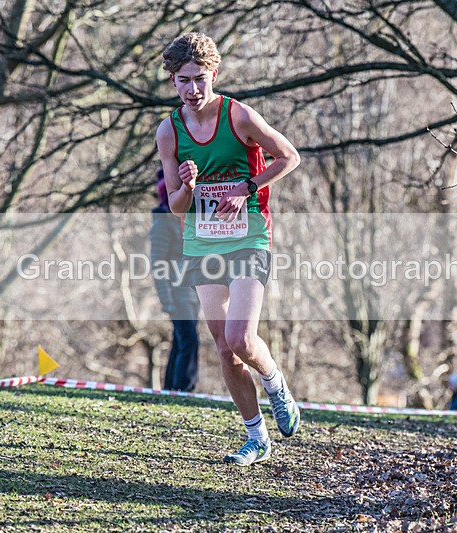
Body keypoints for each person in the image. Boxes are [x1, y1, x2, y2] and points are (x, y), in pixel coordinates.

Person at [155, 32, 301, 466]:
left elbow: (289, 156)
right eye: (184, 80)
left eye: (200, 79)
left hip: (248, 236)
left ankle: (275, 384)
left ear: (214, 75)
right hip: (202, 242)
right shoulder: (169, 131)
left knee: (241, 337)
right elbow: (176, 206)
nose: (193, 89)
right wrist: (188, 186)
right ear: (173, 80)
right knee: (223, 347)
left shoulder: (238, 115)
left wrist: (246, 187)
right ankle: (256, 437)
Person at [151, 168, 200, 392]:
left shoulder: (185, 221)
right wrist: (166, 300)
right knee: (190, 340)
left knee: (181, 341)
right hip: (176, 294)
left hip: (191, 293)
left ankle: (171, 389)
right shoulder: (162, 225)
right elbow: (157, 264)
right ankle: (184, 389)